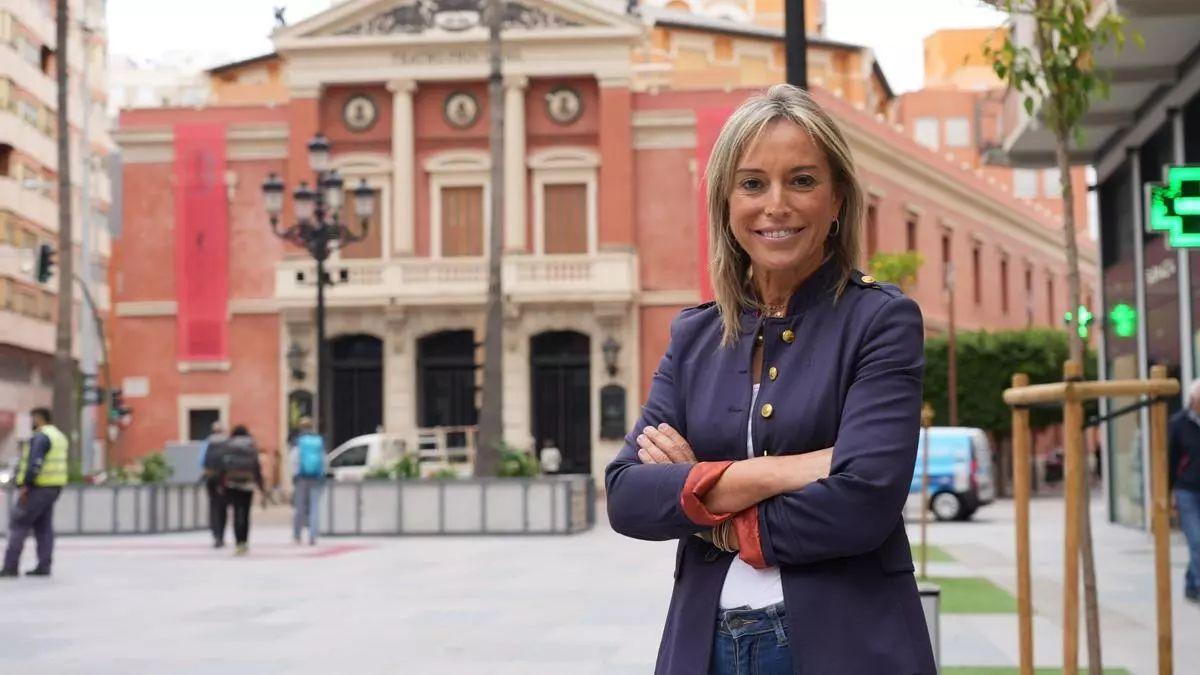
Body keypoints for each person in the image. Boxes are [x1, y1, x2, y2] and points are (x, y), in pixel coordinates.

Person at [605, 84, 935, 674]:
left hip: (846, 647)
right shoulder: (695, 336)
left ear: (837, 200)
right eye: (753, 183)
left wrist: (708, 509)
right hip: (703, 649)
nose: (775, 204)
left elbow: (863, 502)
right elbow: (628, 496)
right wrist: (787, 470)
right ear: (726, 204)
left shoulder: (881, 321)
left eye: (802, 181)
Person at [2, 407, 68, 578]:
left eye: (32, 419)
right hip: (54, 487)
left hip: (38, 488)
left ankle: (10, 566)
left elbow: (35, 464)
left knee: (19, 524)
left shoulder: (41, 437)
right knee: (44, 526)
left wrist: (26, 485)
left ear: (38, 418)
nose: (31, 423)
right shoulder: (59, 436)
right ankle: (44, 565)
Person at [1169, 379, 1200, 603]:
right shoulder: (1178, 423)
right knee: (1197, 539)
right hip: (1186, 489)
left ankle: (1191, 581)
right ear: (1193, 400)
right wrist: (1168, 490)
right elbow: (1170, 459)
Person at [216, 425, 265, 556]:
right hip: (247, 485)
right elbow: (257, 468)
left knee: (236, 513)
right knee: (246, 514)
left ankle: (238, 543)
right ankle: (244, 542)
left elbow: (222, 467)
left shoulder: (227, 446)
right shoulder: (252, 447)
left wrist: (221, 484)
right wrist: (261, 486)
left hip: (231, 484)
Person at [289, 417, 326, 545]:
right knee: (314, 507)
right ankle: (313, 536)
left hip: (301, 477)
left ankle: (297, 535)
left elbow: (294, 459)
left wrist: (294, 475)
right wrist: (322, 475)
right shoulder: (318, 441)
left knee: (299, 506)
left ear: (301, 427)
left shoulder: (299, 441)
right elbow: (323, 459)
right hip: (315, 477)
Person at [199, 421, 229, 548]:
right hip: (223, 478)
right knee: (223, 506)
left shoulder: (207, 442)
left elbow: (201, 460)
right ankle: (221, 536)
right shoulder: (228, 442)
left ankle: (215, 534)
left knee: (213, 505)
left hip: (210, 477)